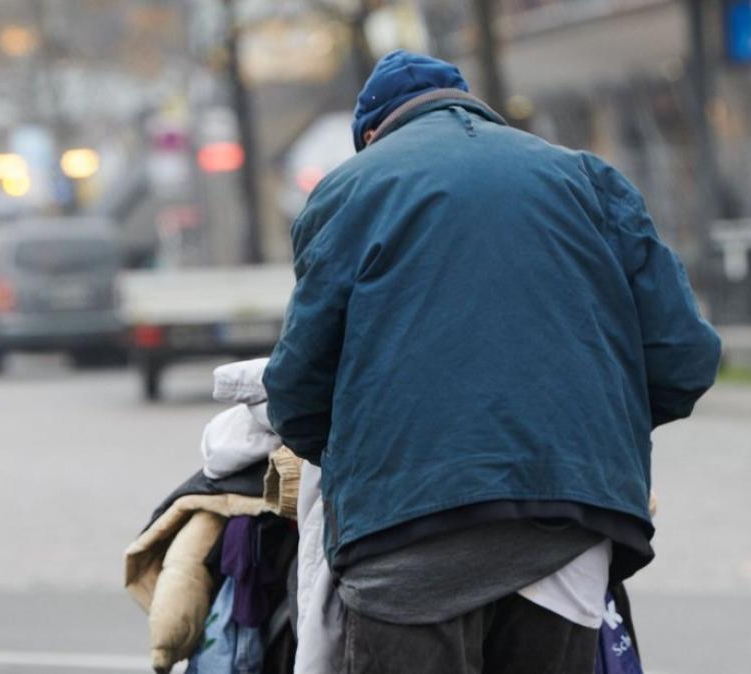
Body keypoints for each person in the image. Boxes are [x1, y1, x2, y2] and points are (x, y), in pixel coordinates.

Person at [264, 50, 721, 674]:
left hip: (405, 541)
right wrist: (589, 431)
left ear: (370, 135)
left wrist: (363, 456)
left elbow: (295, 392)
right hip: (567, 532)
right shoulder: (587, 178)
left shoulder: (351, 189)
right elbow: (686, 359)